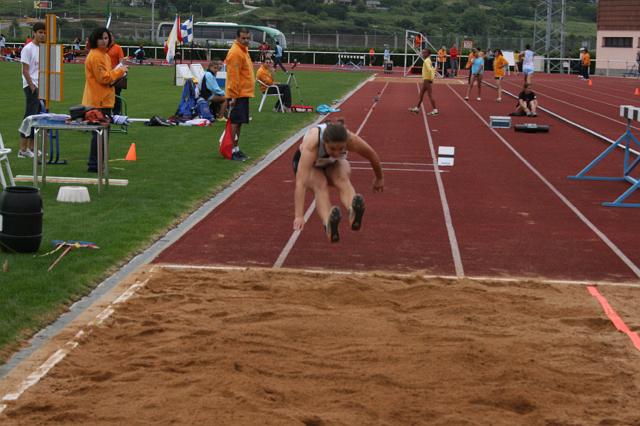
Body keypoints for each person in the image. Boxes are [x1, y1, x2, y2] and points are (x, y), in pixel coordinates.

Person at [292, 118, 384, 243]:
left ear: (346, 143)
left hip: (331, 163)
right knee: (320, 184)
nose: (336, 152)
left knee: (342, 178)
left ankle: (353, 209)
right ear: (324, 142)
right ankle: (328, 222)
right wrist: (299, 215)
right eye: (332, 149)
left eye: (341, 149)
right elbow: (301, 183)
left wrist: (379, 178)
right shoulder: (312, 144)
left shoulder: (352, 140)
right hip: (309, 165)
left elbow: (372, 155)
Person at [82, 27, 127, 172]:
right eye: (101, 38)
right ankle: (94, 164)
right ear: (95, 39)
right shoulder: (95, 56)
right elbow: (103, 78)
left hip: (105, 99)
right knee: (99, 134)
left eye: (106, 38)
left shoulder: (105, 56)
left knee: (103, 134)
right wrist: (120, 71)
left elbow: (108, 77)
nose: (104, 40)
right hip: (97, 101)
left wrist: (117, 74)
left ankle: (99, 163)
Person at [225, 28, 255, 162]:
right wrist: (233, 97)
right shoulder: (236, 52)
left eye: (248, 38)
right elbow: (233, 77)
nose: (246, 40)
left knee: (239, 123)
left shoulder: (244, 50)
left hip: (243, 93)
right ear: (237, 38)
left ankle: (236, 148)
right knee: (235, 123)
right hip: (237, 94)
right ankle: (230, 150)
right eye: (243, 38)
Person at [17, 22, 45, 159]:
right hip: (31, 86)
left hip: (41, 85)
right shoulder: (28, 49)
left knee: (37, 117)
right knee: (30, 116)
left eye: (44, 32)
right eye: (40, 32)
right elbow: (25, 70)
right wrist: (32, 85)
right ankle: (22, 149)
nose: (42, 35)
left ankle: (32, 148)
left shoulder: (43, 49)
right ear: (34, 33)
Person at [409, 48, 438, 115]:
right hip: (426, 79)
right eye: (423, 52)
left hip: (427, 80)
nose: (423, 54)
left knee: (430, 95)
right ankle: (417, 108)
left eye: (424, 53)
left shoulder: (426, 61)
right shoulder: (428, 60)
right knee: (421, 94)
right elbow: (432, 69)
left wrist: (431, 79)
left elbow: (430, 70)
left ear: (428, 54)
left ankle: (435, 110)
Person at [107, 31, 125, 115]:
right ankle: (107, 112)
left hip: (116, 75)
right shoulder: (103, 48)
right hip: (106, 75)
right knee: (106, 94)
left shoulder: (118, 48)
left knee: (116, 94)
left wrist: (119, 70)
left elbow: (121, 62)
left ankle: (117, 113)